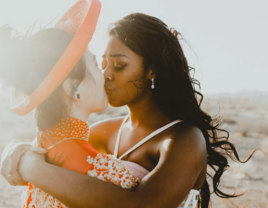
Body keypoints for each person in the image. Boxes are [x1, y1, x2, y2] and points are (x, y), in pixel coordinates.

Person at [1, 13, 254, 208]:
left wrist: (30, 168)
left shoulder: (183, 139)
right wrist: (18, 149)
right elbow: (62, 147)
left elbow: (142, 205)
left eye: (119, 65)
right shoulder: (106, 132)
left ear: (151, 71)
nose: (107, 74)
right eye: (102, 64)